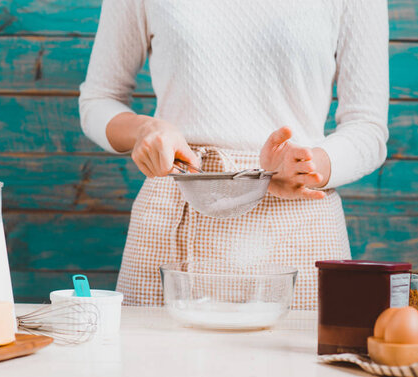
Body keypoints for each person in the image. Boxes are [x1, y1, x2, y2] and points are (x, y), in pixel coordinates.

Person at [79, 0, 389, 309]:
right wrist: (143, 128)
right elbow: (99, 98)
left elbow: (367, 126)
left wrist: (309, 164)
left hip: (297, 222)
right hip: (174, 212)